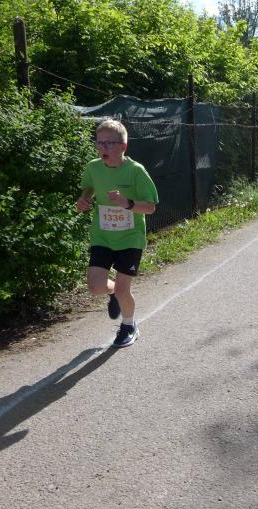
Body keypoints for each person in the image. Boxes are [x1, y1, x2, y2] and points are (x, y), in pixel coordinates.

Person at [76, 120, 158, 348]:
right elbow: (89, 187)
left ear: (123, 146)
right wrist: (84, 199)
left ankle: (129, 325)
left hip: (130, 238)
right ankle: (113, 293)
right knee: (95, 287)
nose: (103, 148)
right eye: (99, 143)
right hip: (102, 235)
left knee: (124, 289)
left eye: (109, 143)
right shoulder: (93, 167)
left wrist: (127, 203)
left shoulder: (136, 171)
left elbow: (150, 207)